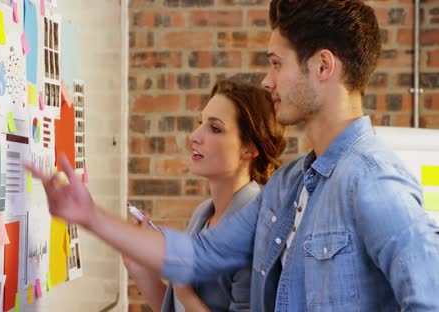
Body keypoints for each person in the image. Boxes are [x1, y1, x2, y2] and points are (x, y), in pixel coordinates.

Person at [25, 0, 439, 310]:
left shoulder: (373, 180)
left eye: (277, 64)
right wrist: (90, 216)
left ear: (323, 66)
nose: (267, 79)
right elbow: (199, 256)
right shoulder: (286, 186)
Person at [123, 79, 286, 312]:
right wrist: (142, 271)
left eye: (215, 128)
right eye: (201, 123)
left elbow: (186, 297)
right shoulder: (203, 214)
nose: (194, 137)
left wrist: (184, 290)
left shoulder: (256, 229)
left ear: (250, 148)